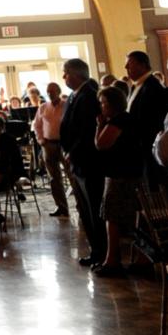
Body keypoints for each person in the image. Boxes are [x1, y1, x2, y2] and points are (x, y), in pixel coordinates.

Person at [60, 56, 106, 268]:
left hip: (88, 161)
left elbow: (87, 130)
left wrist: (72, 151)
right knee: (84, 209)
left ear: (76, 74)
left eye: (66, 73)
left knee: (93, 208)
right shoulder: (74, 95)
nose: (64, 76)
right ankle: (95, 250)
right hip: (77, 161)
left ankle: (101, 252)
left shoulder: (88, 95)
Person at [93, 83, 142, 278]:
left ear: (113, 103)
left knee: (112, 217)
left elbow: (101, 144)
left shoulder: (119, 120)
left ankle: (113, 260)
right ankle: (130, 258)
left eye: (103, 103)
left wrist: (99, 125)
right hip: (126, 173)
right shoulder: (126, 119)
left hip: (120, 175)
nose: (101, 107)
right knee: (123, 217)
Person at [124, 50, 168, 185]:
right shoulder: (137, 86)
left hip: (149, 148)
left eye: (130, 64)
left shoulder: (152, 87)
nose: (126, 67)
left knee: (154, 186)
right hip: (140, 149)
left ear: (142, 65)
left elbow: (153, 121)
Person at [33, 81, 71, 217]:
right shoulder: (43, 107)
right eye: (48, 92)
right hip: (48, 144)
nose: (50, 94)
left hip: (65, 144)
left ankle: (81, 207)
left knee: (71, 175)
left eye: (53, 91)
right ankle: (61, 207)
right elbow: (37, 125)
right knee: (54, 178)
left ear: (59, 92)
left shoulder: (66, 105)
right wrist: (41, 140)